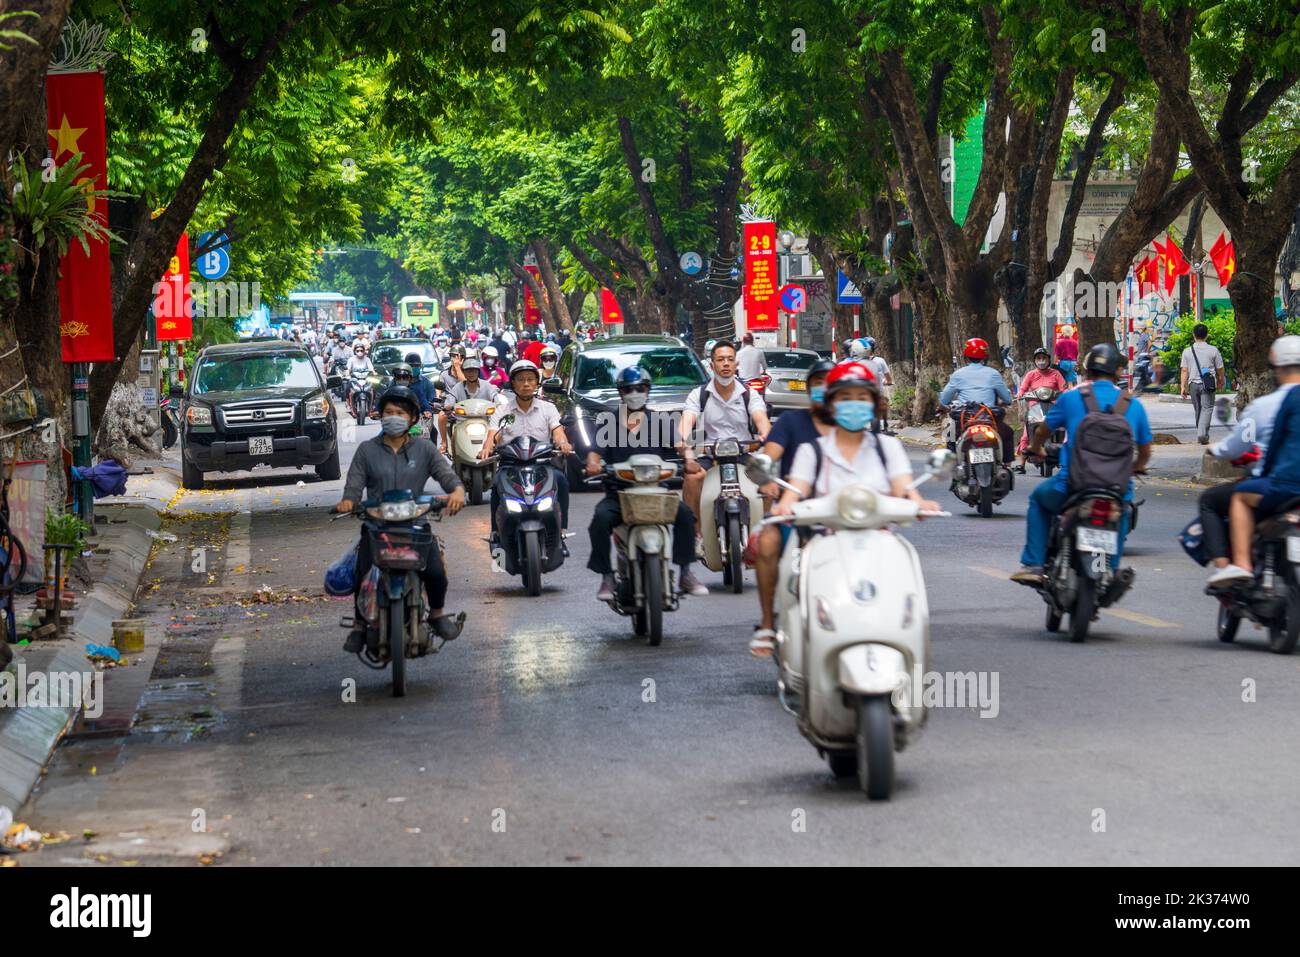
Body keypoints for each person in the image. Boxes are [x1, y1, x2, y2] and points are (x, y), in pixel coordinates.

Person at [768, 361, 940, 656]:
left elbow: (904, 488)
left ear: (874, 405)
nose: (854, 405)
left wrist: (918, 503)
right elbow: (795, 491)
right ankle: (789, 645)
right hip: (824, 543)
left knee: (906, 601)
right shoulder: (813, 452)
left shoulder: (889, 449)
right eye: (846, 398)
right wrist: (785, 506)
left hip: (880, 543)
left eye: (862, 398)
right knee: (791, 581)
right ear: (832, 405)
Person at [335, 386, 467, 653]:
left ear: (412, 418)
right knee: (360, 573)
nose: (393, 417)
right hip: (376, 525)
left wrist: (457, 491)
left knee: (435, 572)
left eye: (399, 412)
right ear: (380, 416)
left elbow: (446, 476)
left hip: (416, 525)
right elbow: (354, 484)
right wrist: (349, 501)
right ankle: (360, 625)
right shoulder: (366, 450)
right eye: (388, 412)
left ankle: (438, 614)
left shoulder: (425, 449)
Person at [1012, 343, 1152, 585]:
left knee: (1038, 501)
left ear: (1087, 371)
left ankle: (1035, 564)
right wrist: (1136, 466)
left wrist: (1035, 448)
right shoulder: (1133, 405)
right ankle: (1112, 571)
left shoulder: (1072, 398)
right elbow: (1145, 450)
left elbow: (1044, 429)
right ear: (1117, 373)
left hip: (1073, 483)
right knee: (1120, 514)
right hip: (1116, 487)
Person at [584, 366, 709, 601]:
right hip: (620, 495)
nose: (634, 393)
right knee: (599, 521)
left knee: (685, 516)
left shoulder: (660, 421)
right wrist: (593, 464)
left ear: (647, 390)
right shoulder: (609, 421)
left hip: (657, 493)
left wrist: (690, 459)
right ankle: (607, 576)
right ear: (621, 393)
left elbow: (681, 446)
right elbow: (595, 452)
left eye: (639, 388)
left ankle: (684, 571)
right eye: (628, 389)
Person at [751, 359, 835, 653]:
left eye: (830, 383)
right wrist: (767, 479)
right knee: (768, 542)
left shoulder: (854, 426)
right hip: (796, 510)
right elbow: (768, 456)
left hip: (844, 514)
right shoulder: (790, 423)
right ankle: (766, 623)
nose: (823, 390)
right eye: (817, 384)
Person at [1204, 336, 1300, 586]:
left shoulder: (1269, 405)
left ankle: (1240, 564)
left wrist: (1218, 450)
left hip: (1282, 483)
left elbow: (1240, 444)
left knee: (1237, 497)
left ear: (1276, 369)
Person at [678, 339, 772, 526]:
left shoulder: (748, 394)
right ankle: (695, 533)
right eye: (721, 360)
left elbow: (761, 418)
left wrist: (766, 433)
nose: (726, 363)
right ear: (712, 365)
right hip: (709, 455)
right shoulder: (699, 394)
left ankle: (765, 529)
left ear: (737, 363)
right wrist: (684, 442)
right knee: (692, 478)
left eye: (730, 359)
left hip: (744, 454)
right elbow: (686, 421)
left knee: (767, 477)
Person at [479, 360, 574, 545]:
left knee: (561, 480)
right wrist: (487, 447)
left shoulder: (548, 408)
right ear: (512, 383)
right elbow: (493, 435)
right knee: (496, 485)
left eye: (530, 379)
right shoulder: (502, 411)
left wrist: (564, 443)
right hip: (510, 466)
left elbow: (557, 431)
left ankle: (562, 529)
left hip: (542, 464)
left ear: (536, 383)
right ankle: (495, 532)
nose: (526, 384)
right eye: (521, 379)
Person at [939, 338, 1015, 464]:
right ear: (985, 356)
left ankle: (955, 469)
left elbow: (944, 399)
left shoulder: (958, 374)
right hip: (989, 419)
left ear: (965, 355)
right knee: (1008, 432)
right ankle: (1006, 467)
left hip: (965, 420)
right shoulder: (993, 373)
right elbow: (1007, 398)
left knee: (950, 436)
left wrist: (944, 405)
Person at [1014, 347, 1069, 469]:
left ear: (1048, 360)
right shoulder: (1031, 374)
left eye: (1043, 358)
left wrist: (1066, 394)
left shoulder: (1056, 373)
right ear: (1035, 361)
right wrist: (1020, 393)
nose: (1041, 361)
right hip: (1035, 408)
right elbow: (1022, 388)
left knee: (1062, 428)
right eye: (1038, 358)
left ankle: (1063, 457)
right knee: (1026, 434)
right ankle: (1021, 464)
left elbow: (1064, 388)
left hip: (1052, 406)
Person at [438, 355, 501, 455]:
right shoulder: (458, 387)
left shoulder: (487, 386)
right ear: (464, 372)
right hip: (462, 421)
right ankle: (445, 444)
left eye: (474, 371)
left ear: (478, 372)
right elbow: (449, 401)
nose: (471, 373)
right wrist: (448, 407)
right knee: (442, 415)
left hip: (485, 420)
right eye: (468, 371)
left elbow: (497, 400)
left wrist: (497, 404)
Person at [1180, 322, 1225, 444]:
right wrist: (1221, 380)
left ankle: (1202, 435)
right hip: (1208, 384)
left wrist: (1183, 386)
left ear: (1194, 335)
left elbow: (1184, 370)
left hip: (1193, 384)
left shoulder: (1187, 351)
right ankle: (1202, 435)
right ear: (1207, 335)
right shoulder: (1213, 350)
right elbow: (1220, 368)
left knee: (1199, 410)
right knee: (1207, 408)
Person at [345, 342, 376, 418]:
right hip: (354, 379)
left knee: (373, 388)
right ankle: (349, 404)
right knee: (347, 388)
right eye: (358, 350)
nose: (360, 352)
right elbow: (348, 369)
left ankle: (372, 405)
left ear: (364, 351)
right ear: (355, 351)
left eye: (361, 350)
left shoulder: (367, 359)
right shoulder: (351, 359)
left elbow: (371, 369)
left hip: (366, 379)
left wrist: (374, 373)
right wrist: (347, 374)